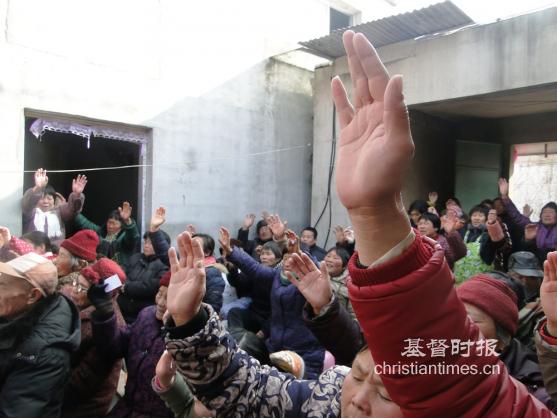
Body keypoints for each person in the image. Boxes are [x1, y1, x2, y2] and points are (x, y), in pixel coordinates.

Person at [162, 30, 554, 417]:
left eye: (387, 394)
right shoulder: (326, 399)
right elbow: (241, 389)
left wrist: (376, 213)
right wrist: (189, 323)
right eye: (360, 374)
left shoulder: (465, 377)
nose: (360, 399)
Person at [220, 226, 325, 378]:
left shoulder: (310, 282)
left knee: (299, 393)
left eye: (294, 258)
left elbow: (313, 269)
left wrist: (299, 253)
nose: (289, 261)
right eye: (286, 257)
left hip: (303, 350)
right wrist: (232, 252)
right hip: (276, 346)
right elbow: (254, 268)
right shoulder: (277, 276)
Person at [0, 253, 80, 417]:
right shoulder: (16, 311)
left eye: (2, 285)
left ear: (32, 295)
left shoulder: (44, 351)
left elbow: (15, 412)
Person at [456, 274, 552, 408]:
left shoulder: (534, 393)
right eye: (451, 316)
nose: (453, 326)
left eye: (469, 319)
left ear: (502, 334)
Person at [90, 272, 176, 418]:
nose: (160, 302)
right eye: (160, 294)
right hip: (126, 408)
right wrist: (105, 314)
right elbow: (114, 347)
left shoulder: (188, 339)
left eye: (169, 298)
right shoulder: (147, 315)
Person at [61, 258, 127, 417]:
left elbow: (81, 382)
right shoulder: (81, 307)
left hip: (82, 406)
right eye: (76, 283)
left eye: (82, 287)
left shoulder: (106, 328)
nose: (74, 290)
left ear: (99, 294)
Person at [118, 210, 170, 324]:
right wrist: (122, 283)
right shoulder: (135, 257)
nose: (146, 245)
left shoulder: (164, 265)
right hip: (122, 311)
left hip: (143, 315)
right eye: (145, 242)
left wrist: (126, 287)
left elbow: (151, 286)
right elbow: (121, 271)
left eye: (150, 243)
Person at [22, 168, 87, 246]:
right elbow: (27, 204)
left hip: (55, 252)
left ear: (54, 200)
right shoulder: (31, 212)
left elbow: (73, 209)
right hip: (33, 251)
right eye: (41, 198)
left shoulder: (59, 211)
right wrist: (38, 188)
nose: (46, 201)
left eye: (49, 198)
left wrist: (76, 195)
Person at [499, 178, 557, 264]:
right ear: (540, 215)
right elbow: (517, 217)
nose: (547, 215)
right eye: (544, 212)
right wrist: (504, 196)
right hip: (536, 267)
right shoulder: (535, 227)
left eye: (551, 212)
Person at [74, 201, 140, 266]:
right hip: (100, 269)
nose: (110, 226)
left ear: (121, 225)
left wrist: (127, 221)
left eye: (114, 223)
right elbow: (85, 223)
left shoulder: (124, 238)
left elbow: (133, 237)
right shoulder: (101, 232)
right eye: (109, 222)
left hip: (120, 273)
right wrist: (71, 209)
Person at [454, 205, 493, 283]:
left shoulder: (489, 234)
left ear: (487, 218)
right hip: (459, 278)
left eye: (480, 216)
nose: (476, 218)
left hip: (480, 280)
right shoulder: (463, 231)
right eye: (474, 215)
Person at [322, 246, 356, 320]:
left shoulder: (350, 284)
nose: (330, 260)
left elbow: (353, 314)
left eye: (335, 258)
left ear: (344, 266)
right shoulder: (315, 273)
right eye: (328, 256)